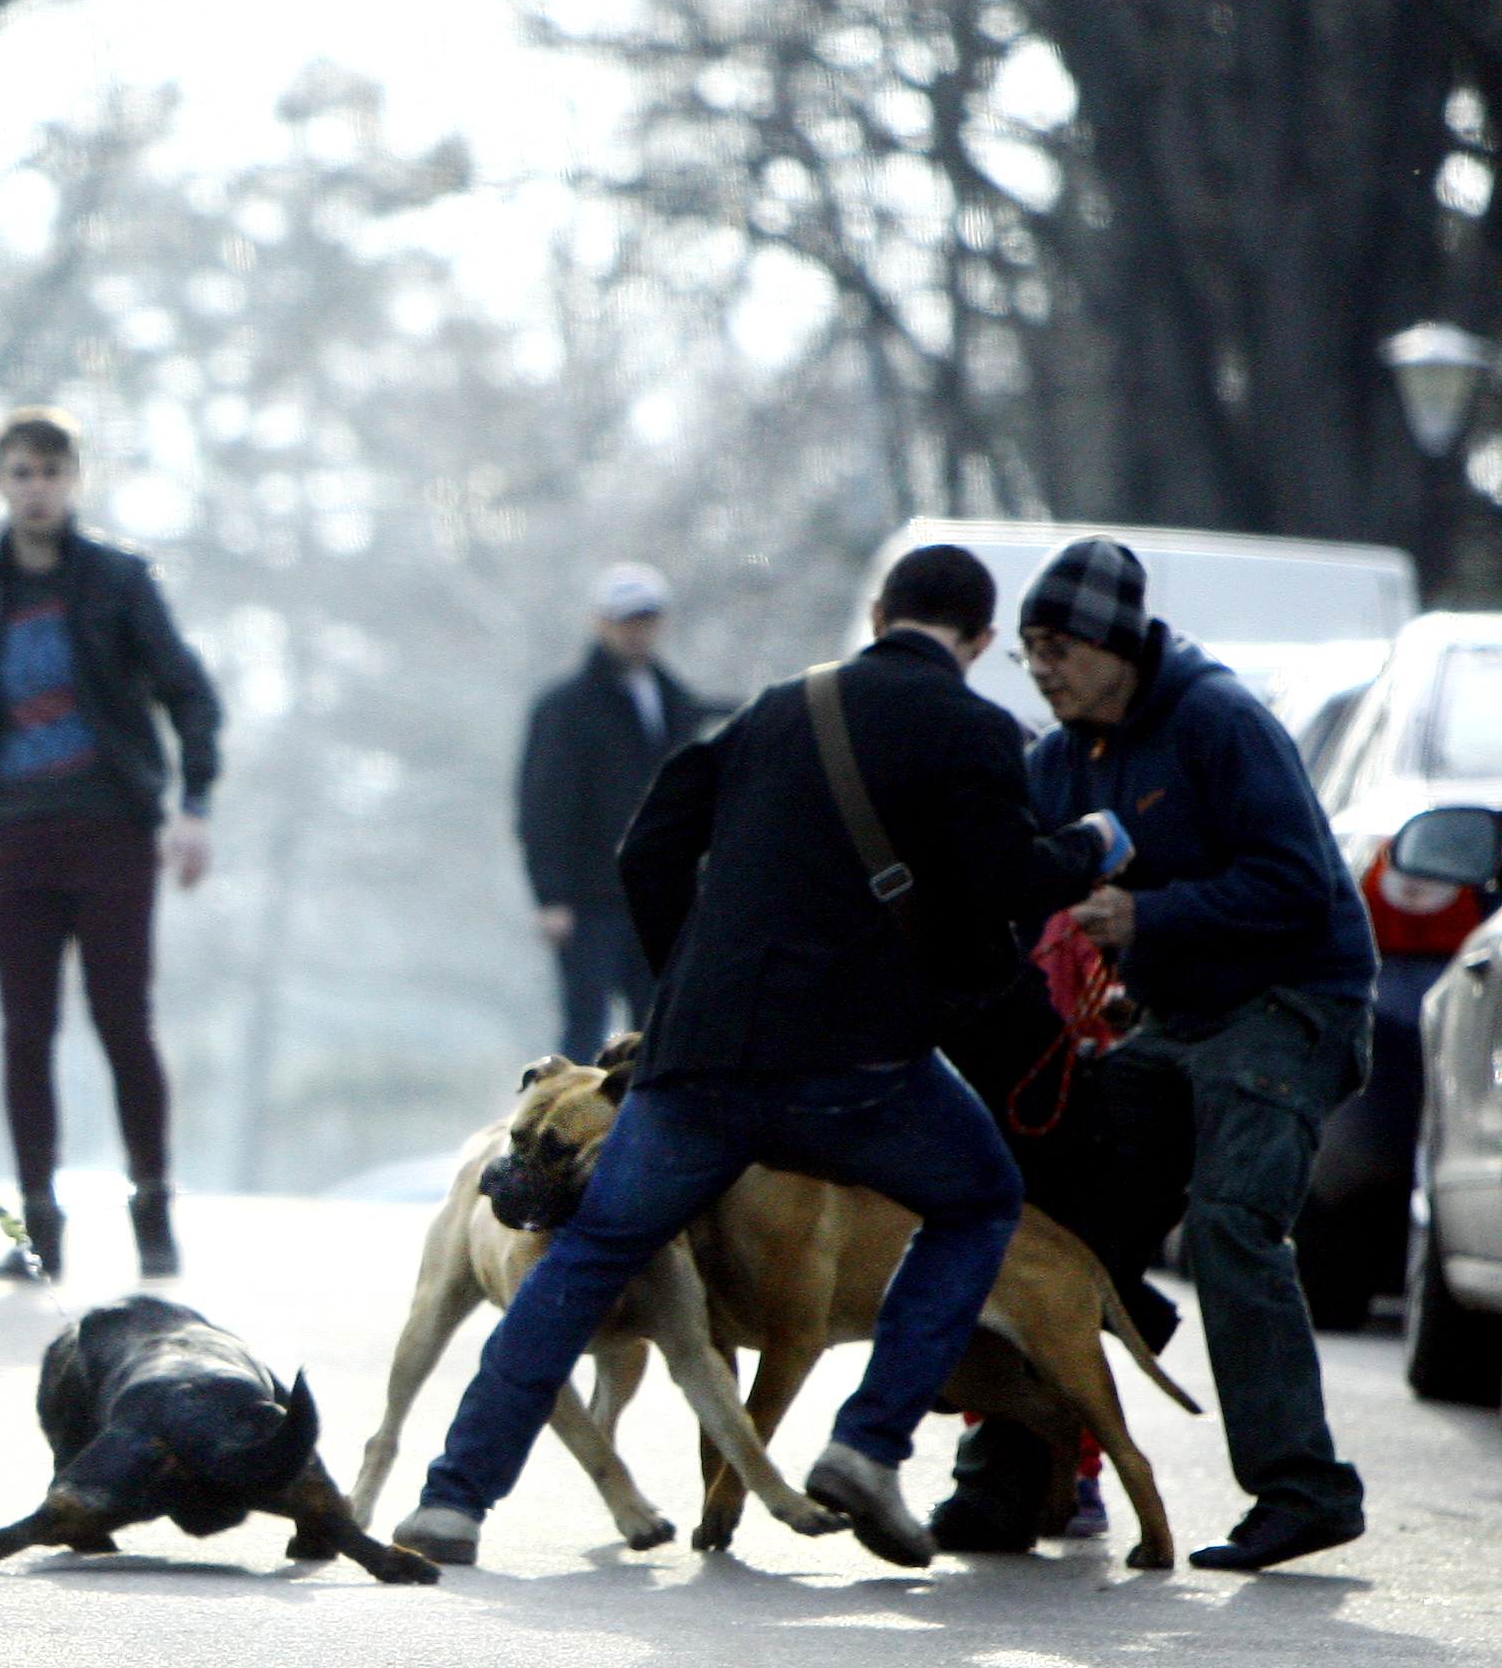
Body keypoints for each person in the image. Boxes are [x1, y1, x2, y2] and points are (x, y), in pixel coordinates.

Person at [392, 544, 1130, 1570]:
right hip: (861, 1067)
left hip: (701, 1059)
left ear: (878, 612)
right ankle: (869, 1447)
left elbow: (646, 849)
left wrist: (677, 990)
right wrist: (1096, 844)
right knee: (977, 1201)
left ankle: (452, 1502)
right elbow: (1011, 881)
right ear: (980, 641)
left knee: (594, 1250)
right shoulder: (974, 729)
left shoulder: (781, 708)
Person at [944, 535, 1378, 1572]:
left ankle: (1303, 1489)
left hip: (1293, 1002)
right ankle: (1009, 1481)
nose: (1040, 667)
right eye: (1029, 650)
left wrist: (1151, 918)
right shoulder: (1062, 757)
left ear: (1118, 646)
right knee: (1063, 1230)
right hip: (1177, 1023)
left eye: (1058, 646)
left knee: (1231, 1221)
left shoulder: (1219, 723)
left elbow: (1300, 884)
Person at [0, 407, 222, 1282]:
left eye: (51, 473)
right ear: (0, 482)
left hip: (114, 832)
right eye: (21, 472)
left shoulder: (120, 583)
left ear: (74, 481)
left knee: (124, 1021)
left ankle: (153, 1206)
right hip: (15, 833)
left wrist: (193, 804)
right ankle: (39, 1226)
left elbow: (188, 693)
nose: (37, 488)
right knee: (26, 1033)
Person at [517, 563, 711, 1061]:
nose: (637, 631)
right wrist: (551, 895)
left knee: (661, 1022)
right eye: (626, 620)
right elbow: (543, 805)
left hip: (659, 895)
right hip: (588, 899)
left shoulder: (675, 700)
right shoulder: (564, 708)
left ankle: (652, 1132)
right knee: (585, 1028)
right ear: (601, 623)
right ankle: (576, 1134)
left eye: (646, 619)